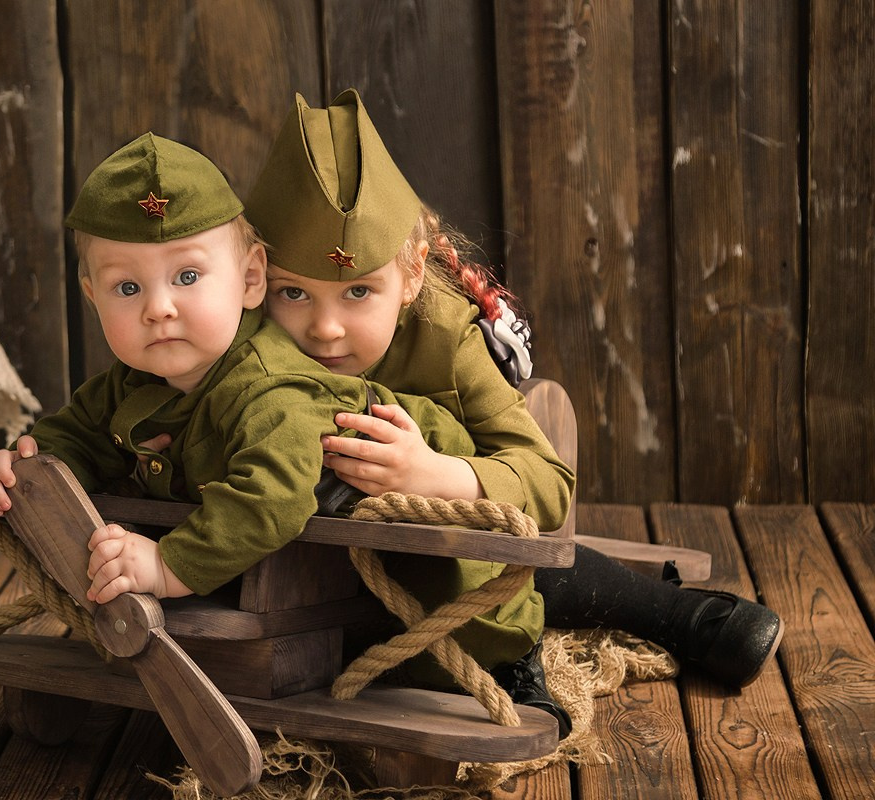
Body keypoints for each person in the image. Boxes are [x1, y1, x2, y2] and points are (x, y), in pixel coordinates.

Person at [243, 89, 784, 698]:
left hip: (456, 553)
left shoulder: (445, 340)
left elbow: (546, 484)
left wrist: (434, 473)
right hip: (309, 563)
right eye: (294, 293)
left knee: (516, 578)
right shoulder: (241, 341)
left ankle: (675, 617)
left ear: (412, 275)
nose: (326, 327)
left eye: (358, 292)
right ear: (254, 277)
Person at [0, 132, 500, 654]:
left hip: (448, 595)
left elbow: (273, 495)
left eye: (186, 276)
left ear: (251, 279)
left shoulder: (273, 389)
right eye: (127, 288)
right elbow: (81, 433)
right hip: (322, 596)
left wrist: (167, 565)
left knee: (540, 606)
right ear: (93, 298)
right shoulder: (134, 382)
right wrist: (29, 466)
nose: (158, 308)